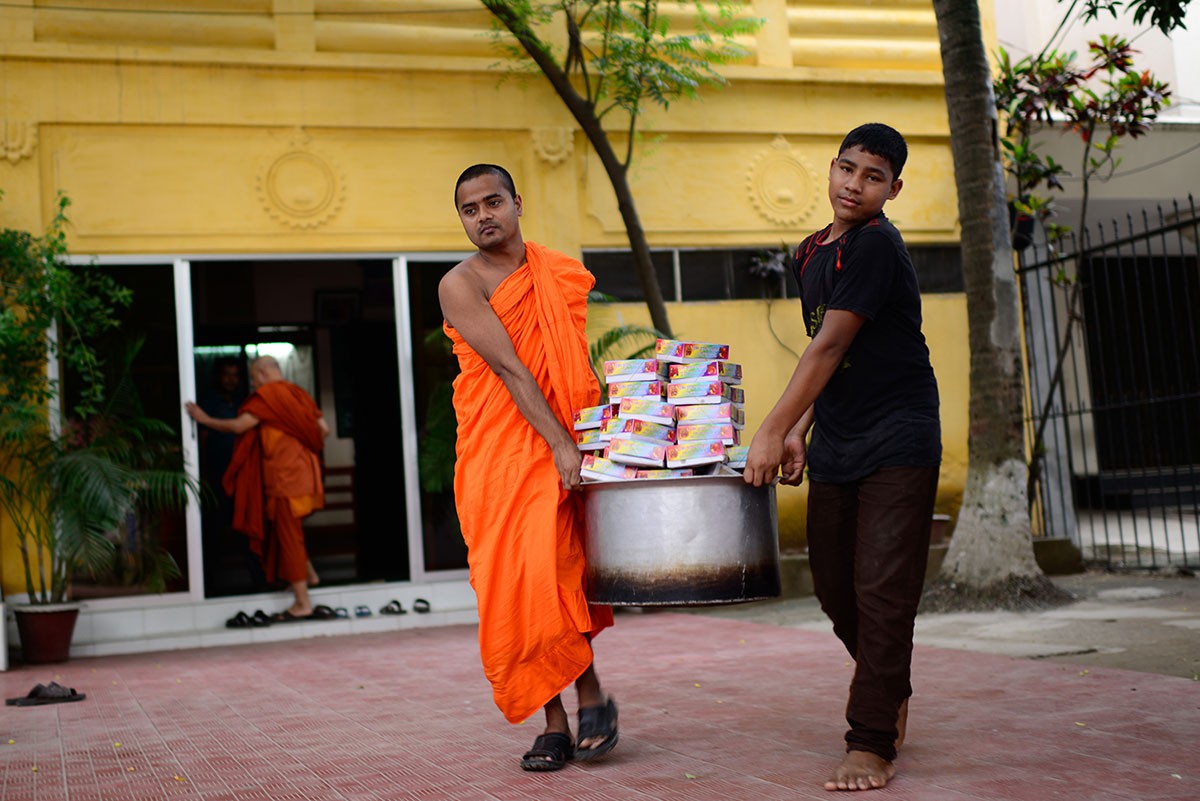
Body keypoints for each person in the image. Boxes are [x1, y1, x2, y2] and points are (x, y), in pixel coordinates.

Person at [743, 123, 941, 792]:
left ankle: (870, 739)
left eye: (873, 176)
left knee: (881, 589)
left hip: (900, 436)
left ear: (894, 189)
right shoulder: (809, 253)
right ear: (830, 169)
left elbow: (828, 347)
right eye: (847, 169)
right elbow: (824, 357)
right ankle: (891, 682)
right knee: (832, 583)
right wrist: (797, 426)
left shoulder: (877, 245)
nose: (855, 184)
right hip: (838, 436)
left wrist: (769, 431)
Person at [438, 163, 618, 772]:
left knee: (563, 570)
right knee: (520, 581)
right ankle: (555, 719)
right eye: (470, 209)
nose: (483, 215)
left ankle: (590, 697)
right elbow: (513, 368)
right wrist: (561, 446)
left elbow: (571, 362)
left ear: (518, 202)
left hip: (565, 438)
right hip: (502, 453)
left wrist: (584, 439)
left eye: (493, 202)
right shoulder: (459, 284)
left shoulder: (556, 272)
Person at [186, 355, 328, 619]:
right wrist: (296, 449)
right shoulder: (298, 394)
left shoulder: (268, 396)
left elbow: (240, 426)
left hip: (285, 480)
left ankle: (302, 602)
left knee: (289, 535)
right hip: (305, 477)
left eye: (252, 377)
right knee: (290, 530)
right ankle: (309, 574)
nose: (253, 383)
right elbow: (323, 429)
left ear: (262, 374)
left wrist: (204, 420)